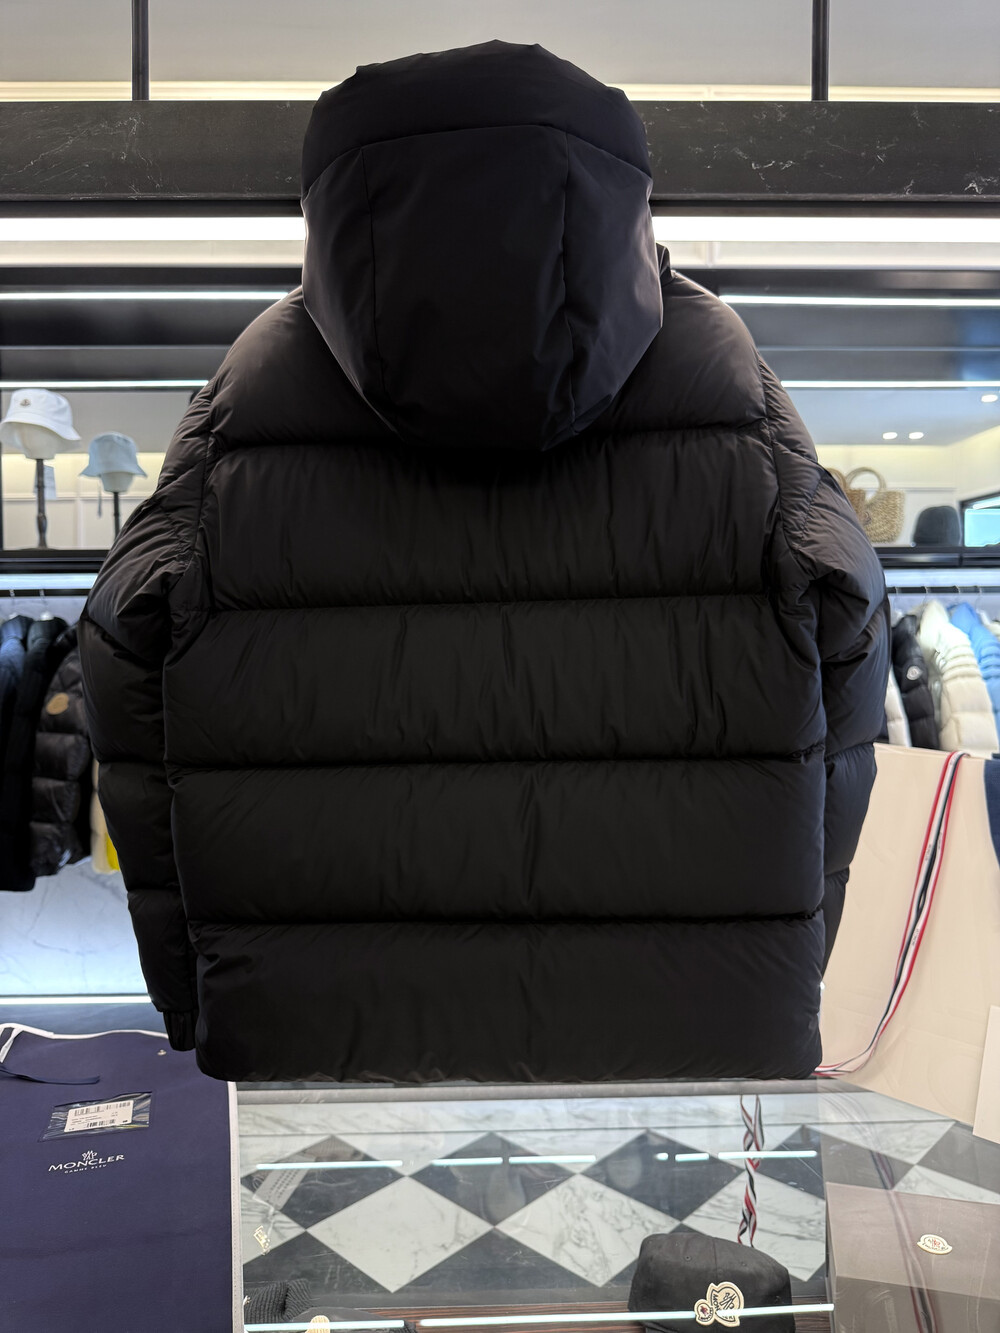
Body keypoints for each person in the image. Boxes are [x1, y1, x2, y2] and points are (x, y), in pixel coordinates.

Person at [78, 40, 889, 1083]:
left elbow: (125, 669)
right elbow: (847, 658)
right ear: (621, 192)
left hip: (321, 1037)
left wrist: (193, 989)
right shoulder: (730, 382)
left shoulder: (247, 395)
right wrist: (800, 960)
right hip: (698, 1030)